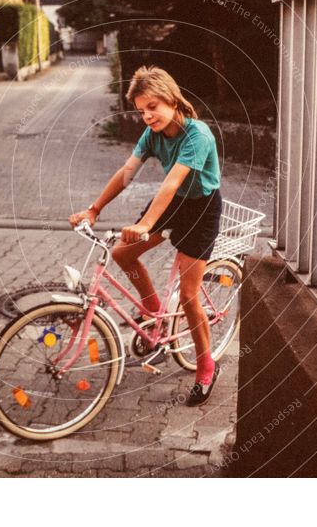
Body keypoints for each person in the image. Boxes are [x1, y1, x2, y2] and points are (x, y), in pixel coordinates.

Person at [68, 66, 223, 406]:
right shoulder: (152, 136)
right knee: (123, 253)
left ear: (172, 99)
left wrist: (145, 224)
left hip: (201, 208)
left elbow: (172, 181)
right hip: (173, 204)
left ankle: (206, 366)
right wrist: (95, 209)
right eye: (141, 110)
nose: (147, 115)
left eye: (153, 106)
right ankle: (154, 311)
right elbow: (126, 173)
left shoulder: (198, 135)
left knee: (188, 296)